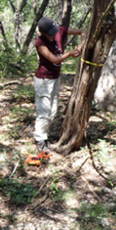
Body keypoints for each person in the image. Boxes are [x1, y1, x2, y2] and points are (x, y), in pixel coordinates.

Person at [34, 17, 85, 152]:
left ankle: (45, 138)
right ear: (44, 33)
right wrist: (70, 53)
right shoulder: (40, 43)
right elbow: (54, 59)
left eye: (54, 30)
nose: (54, 33)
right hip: (44, 80)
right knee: (44, 112)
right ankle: (40, 141)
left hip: (55, 78)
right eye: (51, 32)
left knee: (53, 111)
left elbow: (82, 31)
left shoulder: (59, 31)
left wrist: (81, 46)